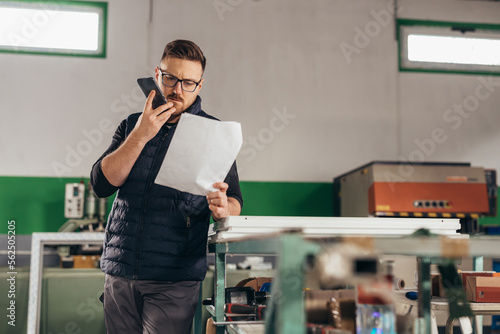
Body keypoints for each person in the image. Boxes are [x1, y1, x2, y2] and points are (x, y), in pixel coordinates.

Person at [90, 39, 243, 334]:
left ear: (199, 86)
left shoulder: (215, 135)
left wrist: (224, 208)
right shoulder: (131, 125)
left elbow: (234, 200)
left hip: (174, 277)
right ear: (157, 75)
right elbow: (101, 184)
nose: (177, 90)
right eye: (171, 78)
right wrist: (141, 134)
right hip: (120, 271)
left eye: (188, 83)